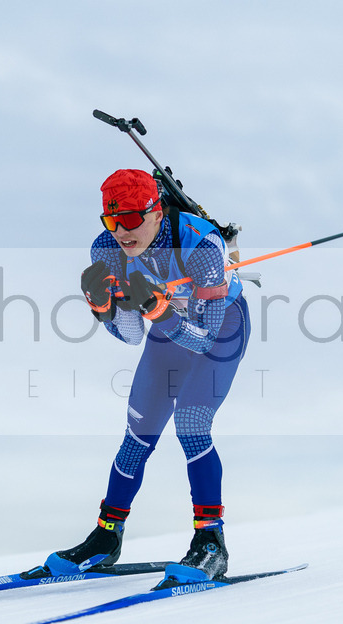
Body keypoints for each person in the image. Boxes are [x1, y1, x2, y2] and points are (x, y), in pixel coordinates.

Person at [44, 168, 251, 582]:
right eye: (112, 220)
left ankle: (211, 543)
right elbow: (131, 335)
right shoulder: (107, 248)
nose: (122, 232)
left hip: (220, 328)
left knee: (191, 423)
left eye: (131, 219)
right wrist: (105, 309)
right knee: (139, 430)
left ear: (157, 212)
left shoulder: (201, 245)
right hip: (166, 329)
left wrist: (158, 311)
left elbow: (204, 340)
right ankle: (106, 537)